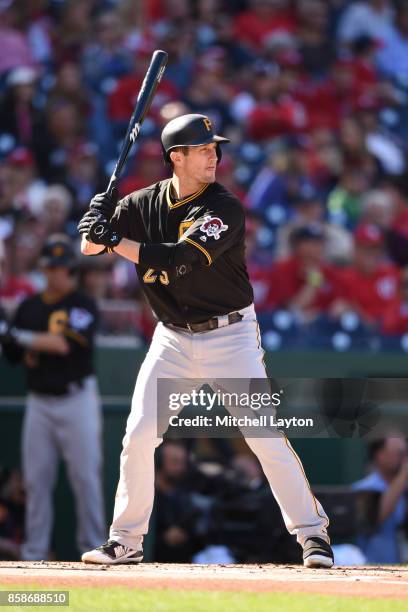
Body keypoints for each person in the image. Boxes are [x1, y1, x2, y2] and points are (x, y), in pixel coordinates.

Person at [78, 113, 333, 568]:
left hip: (230, 335)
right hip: (172, 338)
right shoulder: (143, 202)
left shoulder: (224, 206)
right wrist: (95, 222)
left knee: (265, 436)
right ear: (176, 157)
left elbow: (181, 261)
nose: (214, 155)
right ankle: (126, 539)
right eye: (202, 149)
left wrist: (113, 238)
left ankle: (313, 535)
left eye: (214, 148)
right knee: (138, 435)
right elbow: (90, 248)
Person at [0, 234, 105, 560]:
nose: (58, 274)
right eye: (52, 267)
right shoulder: (30, 307)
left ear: (72, 270)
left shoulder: (83, 304)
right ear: (44, 268)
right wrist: (25, 342)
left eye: (63, 268)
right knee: (35, 480)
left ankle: (94, 545)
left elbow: (63, 345)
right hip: (40, 401)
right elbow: (14, 356)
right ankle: (34, 552)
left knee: (86, 477)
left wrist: (22, 338)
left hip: (77, 399)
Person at [352, 435, 408, 563]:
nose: (405, 458)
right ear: (380, 456)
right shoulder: (364, 488)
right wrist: (404, 474)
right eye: (400, 453)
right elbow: (376, 516)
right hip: (370, 567)